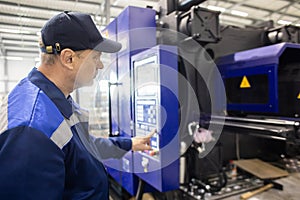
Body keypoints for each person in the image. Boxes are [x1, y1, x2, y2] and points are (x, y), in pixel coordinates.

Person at [0, 11, 154, 200]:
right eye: (96, 57)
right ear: (69, 59)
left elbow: (80, 148)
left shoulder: (54, 99)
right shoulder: (31, 131)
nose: (100, 66)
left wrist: (129, 143)